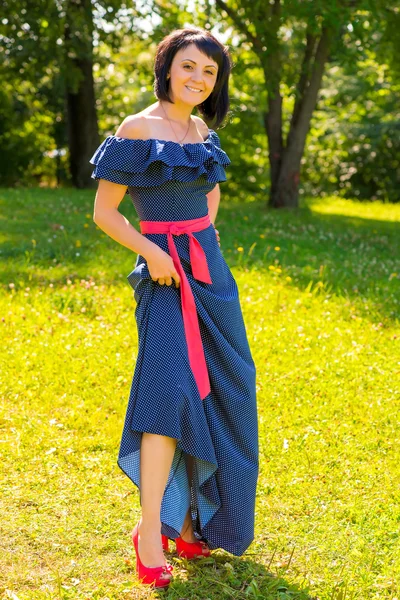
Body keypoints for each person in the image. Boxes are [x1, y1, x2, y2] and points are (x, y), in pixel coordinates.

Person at [89, 26, 259, 589]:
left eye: (209, 72)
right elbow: (106, 213)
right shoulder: (137, 129)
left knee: (222, 388)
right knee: (167, 393)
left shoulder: (202, 130)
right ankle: (148, 531)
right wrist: (154, 251)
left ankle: (190, 526)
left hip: (210, 275)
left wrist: (198, 241)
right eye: (189, 66)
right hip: (164, 278)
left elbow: (210, 200)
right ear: (167, 67)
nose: (198, 78)